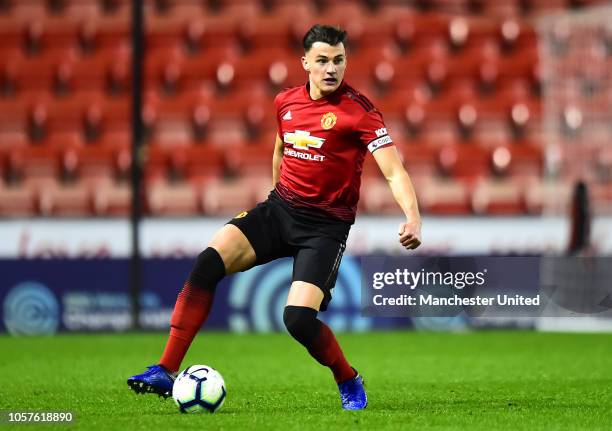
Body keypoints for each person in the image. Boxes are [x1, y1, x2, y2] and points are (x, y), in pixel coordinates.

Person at [128, 24, 422, 411]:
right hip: (279, 210)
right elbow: (280, 148)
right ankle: (166, 369)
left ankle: (348, 378)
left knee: (298, 319)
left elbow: (394, 171)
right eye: (322, 61)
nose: (331, 68)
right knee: (207, 263)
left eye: (338, 60)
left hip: (324, 229)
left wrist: (412, 217)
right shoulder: (285, 102)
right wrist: (275, 199)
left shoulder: (360, 113)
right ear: (305, 63)